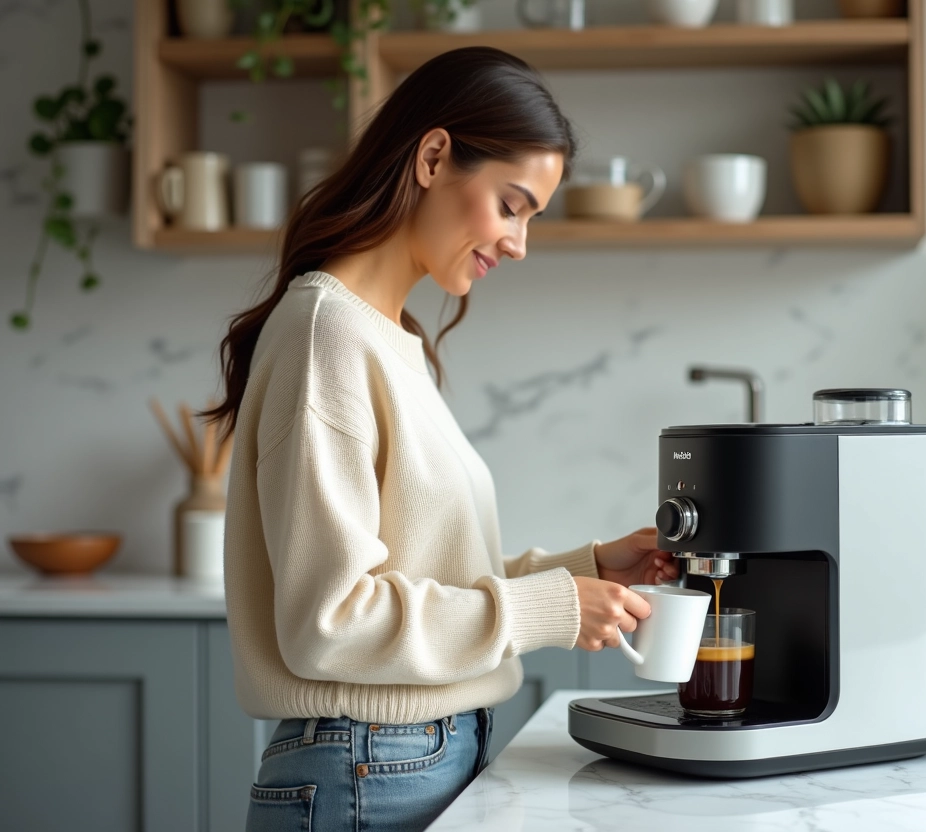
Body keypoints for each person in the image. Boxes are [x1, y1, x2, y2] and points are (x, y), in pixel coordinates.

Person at [202, 46, 679, 831]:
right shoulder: (330, 333)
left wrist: (584, 570)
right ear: (433, 157)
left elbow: (426, 571)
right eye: (513, 204)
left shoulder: (391, 340)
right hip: (369, 766)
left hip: (407, 759)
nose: (520, 243)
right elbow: (333, 622)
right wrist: (552, 609)